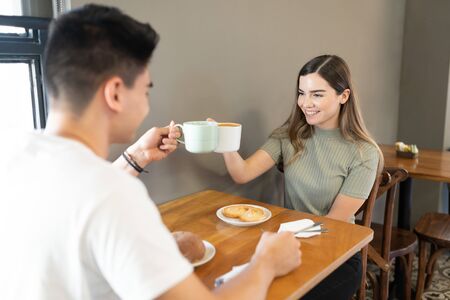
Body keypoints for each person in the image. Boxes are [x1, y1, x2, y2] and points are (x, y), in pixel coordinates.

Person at [0, 4, 301, 300]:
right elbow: (99, 196)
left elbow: (76, 196)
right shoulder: (115, 196)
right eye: (146, 90)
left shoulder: (13, 152)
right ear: (115, 93)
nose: (146, 103)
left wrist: (136, 157)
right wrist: (266, 263)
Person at [215, 55, 382, 299]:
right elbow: (242, 173)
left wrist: (277, 248)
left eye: (317, 94)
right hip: (293, 243)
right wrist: (224, 141)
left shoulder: (364, 153)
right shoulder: (288, 136)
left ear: (343, 96)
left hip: (336, 252)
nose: (305, 103)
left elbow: (333, 222)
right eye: (301, 93)